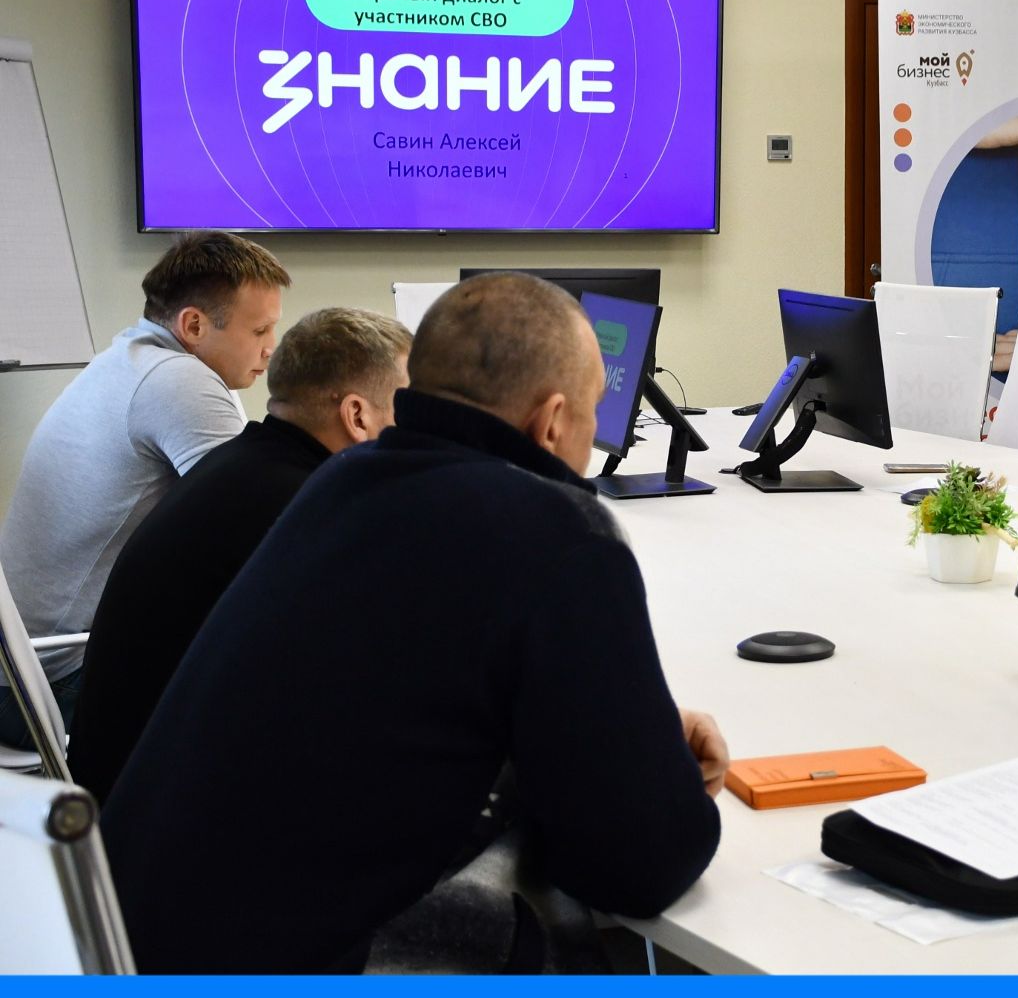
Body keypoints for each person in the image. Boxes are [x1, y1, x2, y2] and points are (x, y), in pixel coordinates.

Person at [102, 273, 727, 973]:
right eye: (592, 411)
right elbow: (640, 865)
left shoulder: (341, 483)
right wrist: (657, 766)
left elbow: (408, 710)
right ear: (553, 421)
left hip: (137, 938)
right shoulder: (559, 531)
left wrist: (616, 726)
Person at [65, 308, 413, 804]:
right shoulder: (304, 509)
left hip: (124, 780)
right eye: (409, 409)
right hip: (164, 807)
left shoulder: (242, 465)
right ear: (358, 416)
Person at [0, 231, 288, 748]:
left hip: (20, 670)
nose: (272, 347)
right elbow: (267, 532)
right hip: (48, 688)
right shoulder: (179, 381)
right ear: (194, 325)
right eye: (260, 329)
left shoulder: (127, 357)